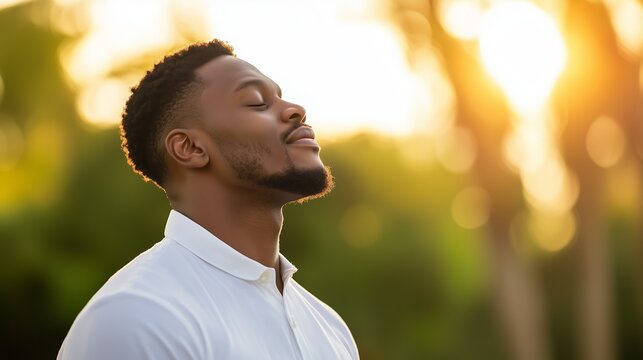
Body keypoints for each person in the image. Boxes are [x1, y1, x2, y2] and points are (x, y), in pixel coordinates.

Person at [58, 39, 359, 360]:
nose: (295, 109)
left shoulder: (329, 327)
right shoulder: (136, 318)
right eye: (257, 102)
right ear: (190, 149)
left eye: (280, 97)